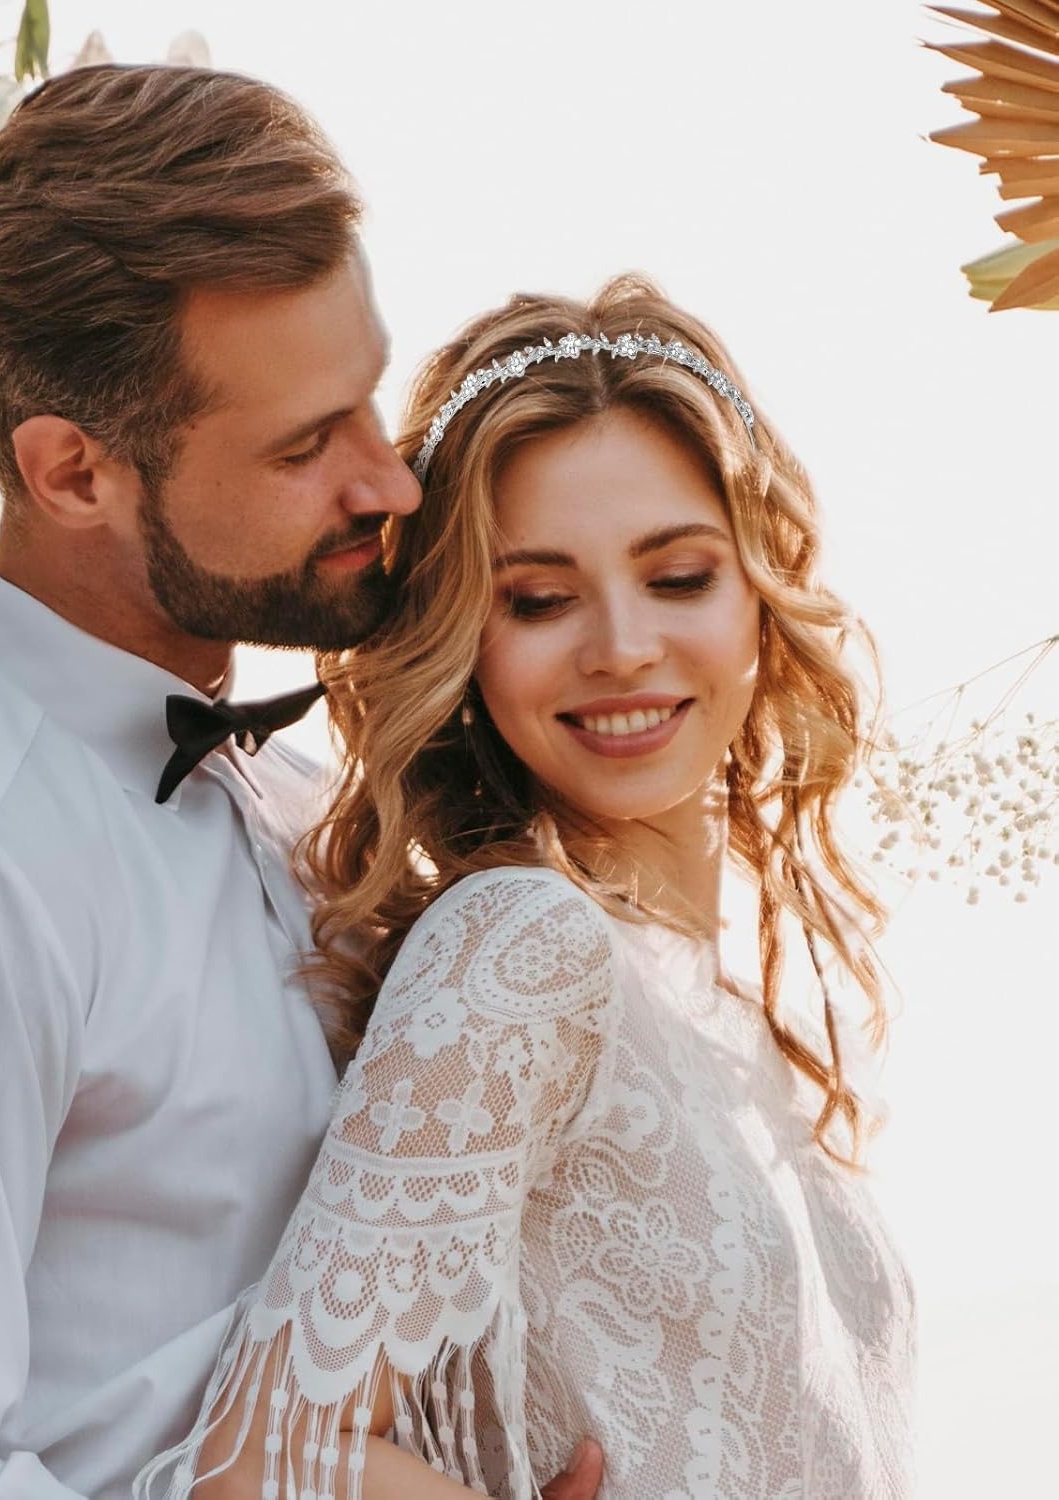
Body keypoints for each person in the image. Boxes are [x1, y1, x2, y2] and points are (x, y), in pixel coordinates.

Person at [0, 63, 610, 1500]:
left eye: (367, 404)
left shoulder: (301, 793)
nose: (391, 483)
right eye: (309, 446)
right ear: (73, 475)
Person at [140, 279, 917, 1500]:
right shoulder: (521, 944)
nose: (619, 645)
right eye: (540, 599)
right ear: (463, 640)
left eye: (678, 576)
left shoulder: (745, 1004)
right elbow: (258, 1470)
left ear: (761, 592)